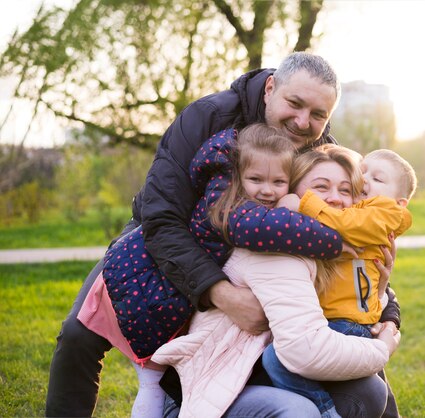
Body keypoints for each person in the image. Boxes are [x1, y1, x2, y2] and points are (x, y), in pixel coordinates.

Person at [45, 51, 401, 417]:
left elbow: (351, 230)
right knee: (78, 334)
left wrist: (384, 307)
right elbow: (161, 217)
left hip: (264, 251)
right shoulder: (209, 117)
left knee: (353, 335)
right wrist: (218, 292)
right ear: (270, 88)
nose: (302, 121)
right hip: (167, 235)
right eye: (294, 104)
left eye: (317, 115)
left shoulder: (318, 146)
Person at [78, 123, 342, 417]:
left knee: (155, 381)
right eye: (256, 179)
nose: (267, 191)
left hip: (145, 283)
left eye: (278, 182)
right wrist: (335, 240)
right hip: (148, 294)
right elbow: (265, 227)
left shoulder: (229, 193)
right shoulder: (230, 208)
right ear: (238, 178)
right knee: (152, 382)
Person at [150, 143, 401, 418]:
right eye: (321, 187)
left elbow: (355, 302)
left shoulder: (329, 248)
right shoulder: (276, 245)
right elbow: (303, 351)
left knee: (368, 391)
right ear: (292, 192)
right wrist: (382, 348)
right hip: (217, 388)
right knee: (299, 410)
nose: (335, 199)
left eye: (346, 191)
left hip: (262, 372)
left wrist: (380, 293)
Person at [261, 147, 418, 417]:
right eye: (363, 171)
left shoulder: (384, 213)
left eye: (378, 179)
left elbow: (344, 224)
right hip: (333, 321)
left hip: (346, 324)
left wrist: (302, 203)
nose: (365, 180)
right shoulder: (356, 209)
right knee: (281, 360)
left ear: (400, 202)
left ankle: (326, 411)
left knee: (279, 358)